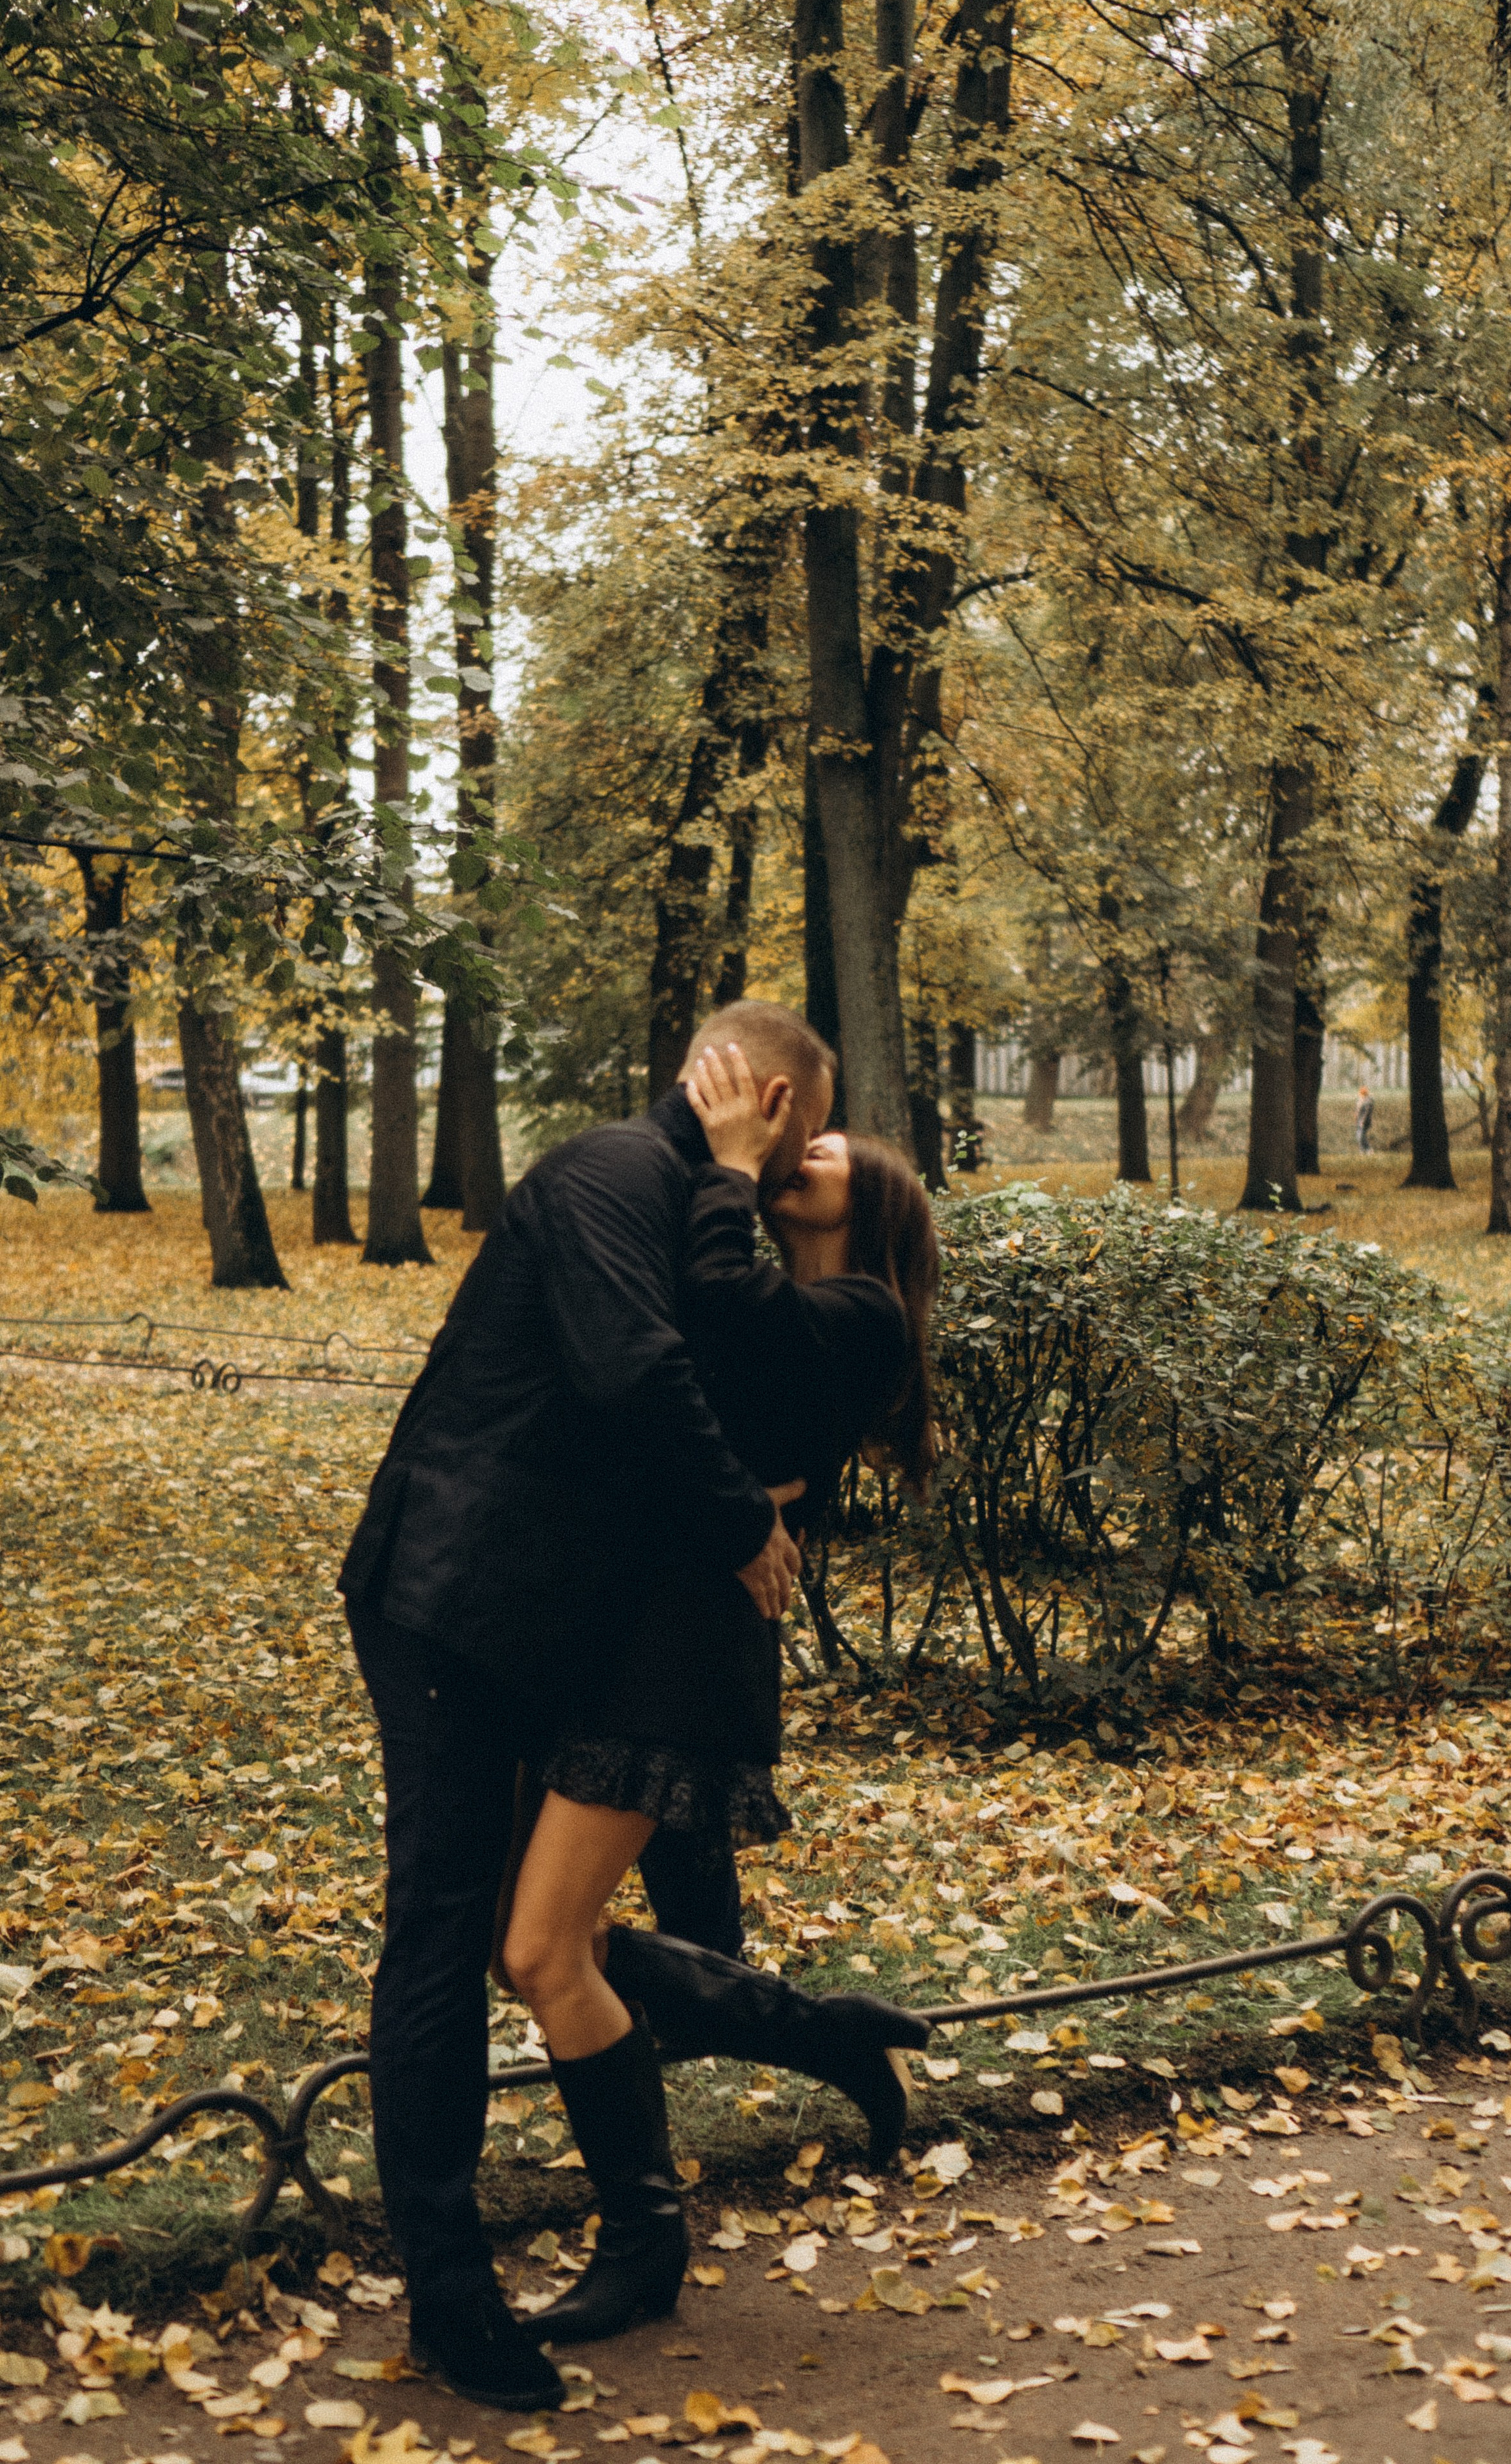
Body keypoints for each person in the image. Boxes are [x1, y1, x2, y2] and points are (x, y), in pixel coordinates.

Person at [339, 1003, 912, 2407]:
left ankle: (744, 2089)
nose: (805, 1162)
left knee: (525, 1941)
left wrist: (747, 1510)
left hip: (578, 1630)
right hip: (457, 1597)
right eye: (807, 1134)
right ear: (774, 1098)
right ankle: (455, 2300)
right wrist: (741, 1521)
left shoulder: (739, 1238)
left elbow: (714, 1368)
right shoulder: (612, 1174)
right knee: (457, 1938)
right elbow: (637, 1372)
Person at [499, 1043, 941, 2352]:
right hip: (624, 1624)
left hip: (683, 1650)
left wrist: (732, 1171)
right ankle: (811, 2030)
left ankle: (642, 2243)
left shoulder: (861, 1315)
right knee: (516, 1938)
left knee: (539, 1951)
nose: (793, 1147)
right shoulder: (768, 1297)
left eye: (818, 1155)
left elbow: (717, 1307)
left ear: (862, 1210)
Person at [1354, 1084, 1374, 1154]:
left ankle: (1369, 1149)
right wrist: (1356, 1116)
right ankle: (1362, 1150)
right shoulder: (1360, 1101)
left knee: (1361, 1136)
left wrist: (1363, 1121)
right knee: (1358, 1136)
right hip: (1359, 1121)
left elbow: (1367, 1113)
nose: (1361, 1096)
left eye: (1363, 1094)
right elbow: (1357, 1110)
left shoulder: (1368, 1102)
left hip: (1365, 1122)